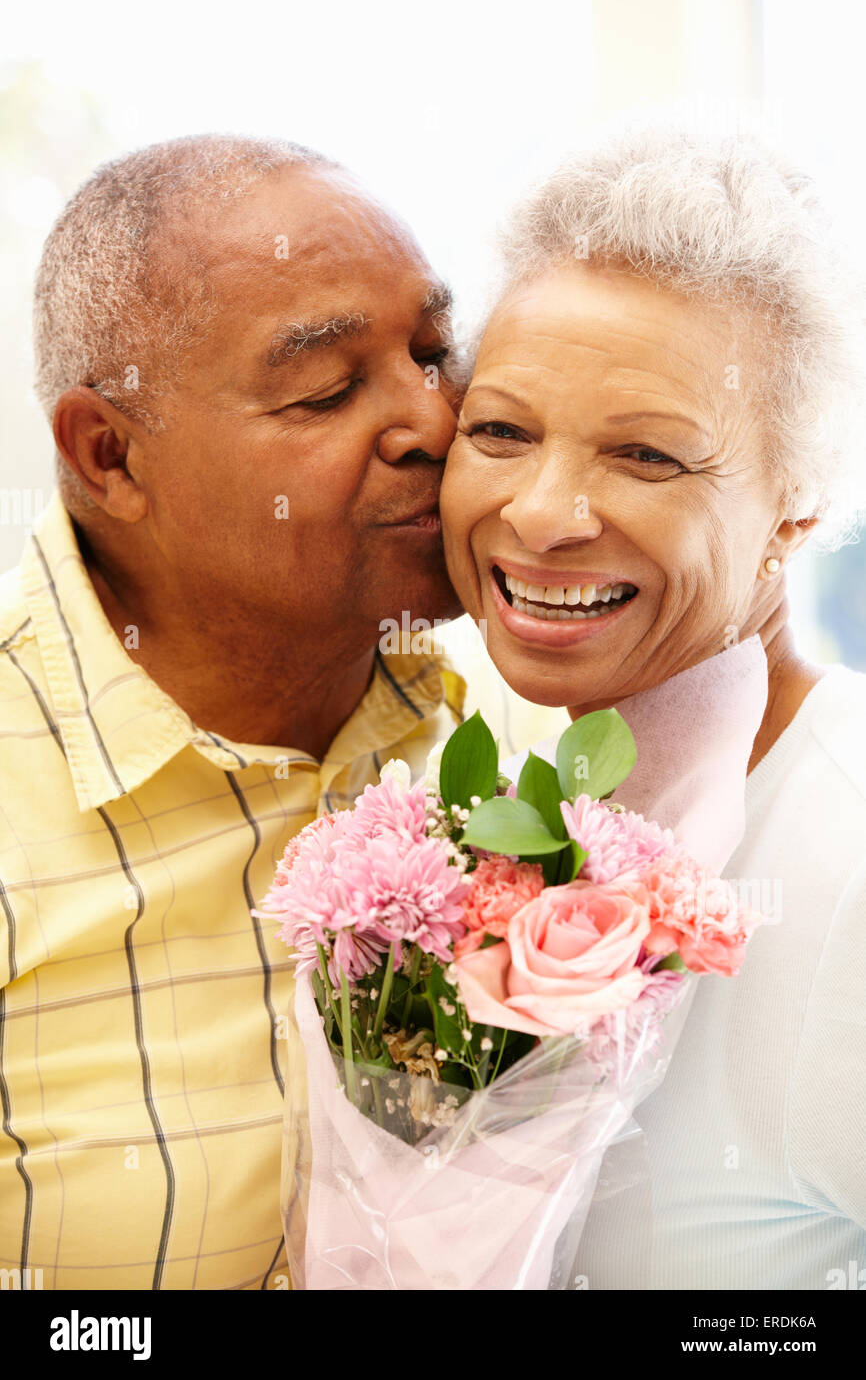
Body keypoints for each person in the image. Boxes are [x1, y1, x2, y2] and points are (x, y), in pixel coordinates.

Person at [0, 134, 467, 1290]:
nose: (435, 424)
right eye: (326, 389)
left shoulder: (519, 720)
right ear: (109, 456)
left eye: (434, 351)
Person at [440, 127, 866, 1289]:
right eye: (499, 431)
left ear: (795, 506)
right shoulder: (518, 796)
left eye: (645, 455)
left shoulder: (846, 853)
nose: (539, 513)